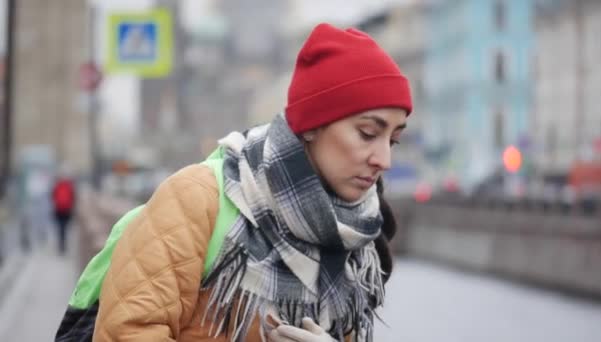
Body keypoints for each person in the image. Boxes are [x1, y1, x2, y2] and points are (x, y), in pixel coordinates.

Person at [56, 22, 412, 342]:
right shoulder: (197, 199)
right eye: (368, 133)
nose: (385, 159)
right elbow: (126, 333)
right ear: (313, 125)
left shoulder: (357, 236)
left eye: (393, 140)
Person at [51, 168, 76, 254]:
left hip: (58, 209)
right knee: (65, 227)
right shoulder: (69, 185)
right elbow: (73, 198)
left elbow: (52, 196)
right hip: (67, 210)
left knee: (60, 227)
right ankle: (63, 243)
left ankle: (61, 243)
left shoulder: (57, 185)